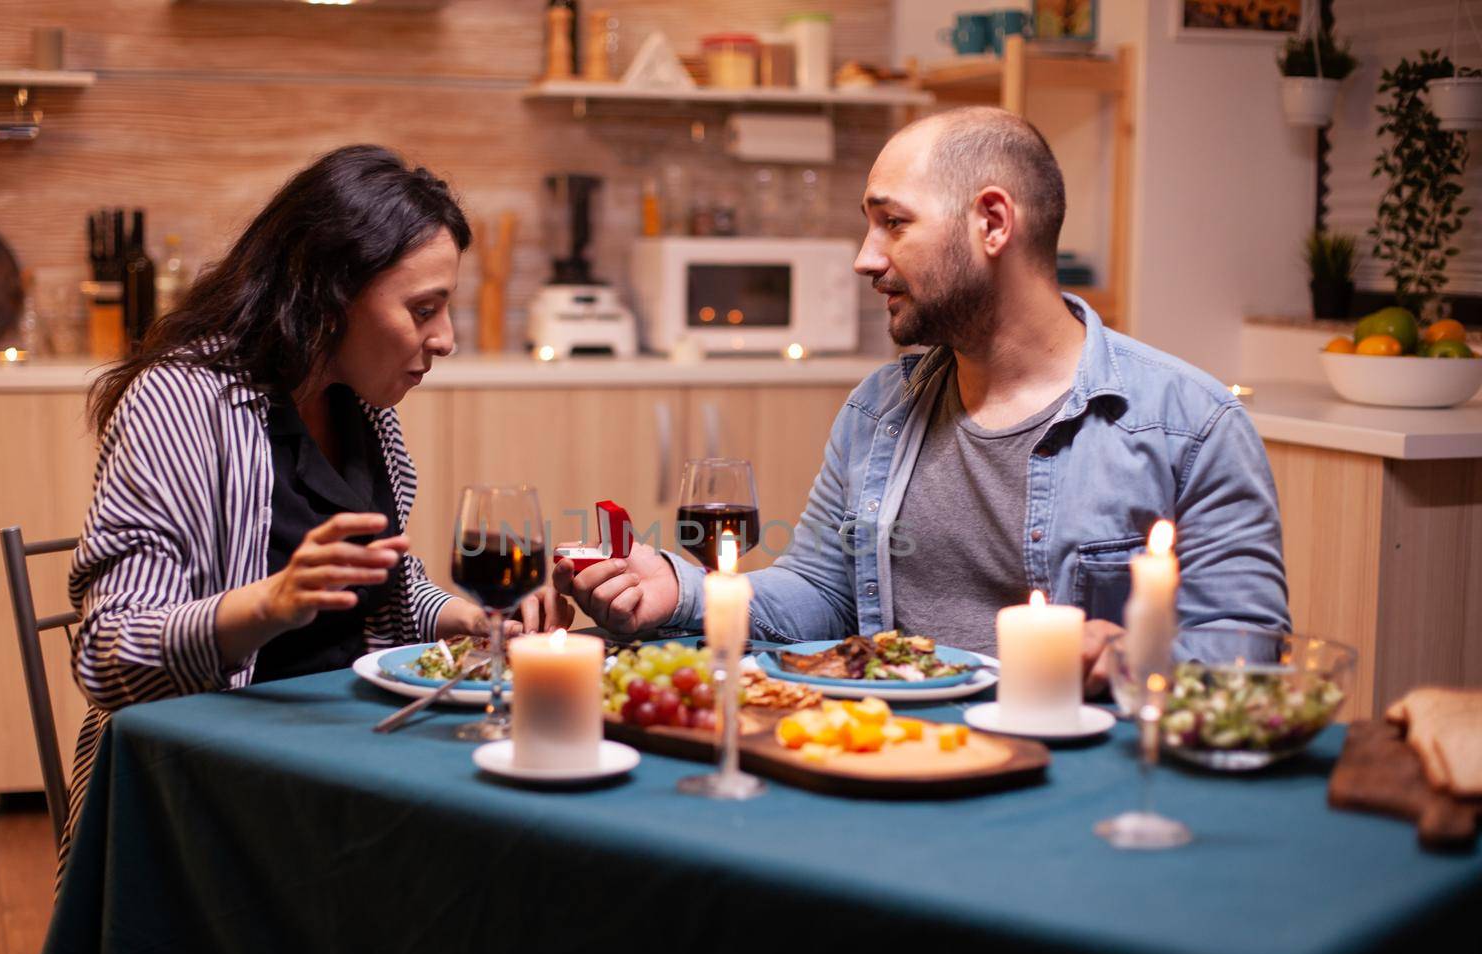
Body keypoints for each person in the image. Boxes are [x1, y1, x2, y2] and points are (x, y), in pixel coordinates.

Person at [556, 107, 1289, 689]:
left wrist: (1132, 656)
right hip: (894, 755)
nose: (865, 258)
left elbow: (1247, 656)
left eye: (893, 223)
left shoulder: (1189, 426)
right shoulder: (879, 409)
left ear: (993, 223)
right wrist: (682, 591)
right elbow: (820, 591)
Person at [69, 144, 572, 817]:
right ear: (329, 297)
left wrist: (472, 618)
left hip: (352, 751)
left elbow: (381, 587)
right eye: (423, 310)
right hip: (215, 782)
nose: (447, 338)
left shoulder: (362, 406)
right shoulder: (183, 401)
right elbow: (108, 653)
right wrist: (269, 604)